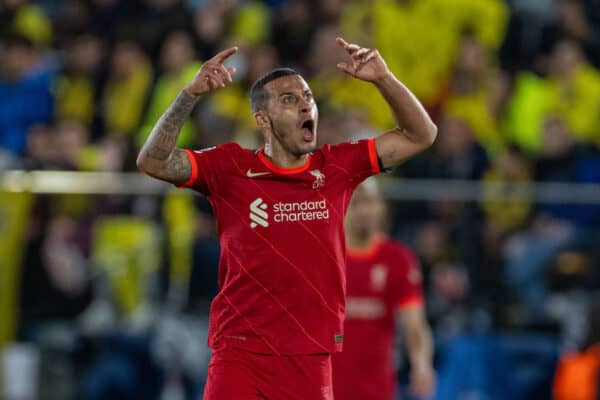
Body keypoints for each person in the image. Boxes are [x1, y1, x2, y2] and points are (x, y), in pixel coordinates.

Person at [136, 37, 437, 400]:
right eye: (289, 99)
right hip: (239, 354)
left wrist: (384, 79)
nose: (304, 105)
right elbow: (152, 161)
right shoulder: (230, 168)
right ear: (262, 119)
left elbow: (422, 135)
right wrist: (189, 94)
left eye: (308, 97)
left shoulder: (338, 166)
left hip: (310, 357)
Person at [332, 178, 435, 400]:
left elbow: (415, 324)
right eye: (356, 202)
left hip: (377, 388)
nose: (363, 211)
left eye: (369, 202)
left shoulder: (398, 259)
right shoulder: (324, 257)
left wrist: (421, 364)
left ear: (382, 208)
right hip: (326, 388)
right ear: (342, 206)